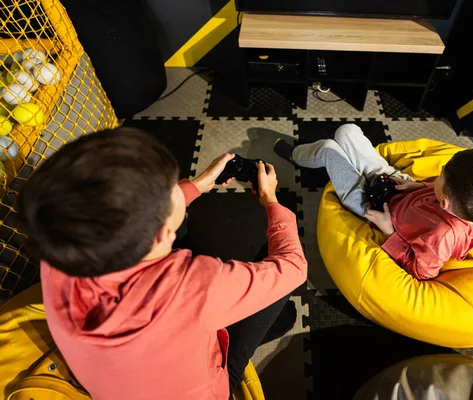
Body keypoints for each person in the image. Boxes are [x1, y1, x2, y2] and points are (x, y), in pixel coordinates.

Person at [18, 128, 307, 400]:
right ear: (163, 235)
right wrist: (271, 200)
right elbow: (294, 266)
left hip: (122, 383)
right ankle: (247, 338)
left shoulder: (60, 252)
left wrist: (197, 186)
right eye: (170, 190)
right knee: (276, 266)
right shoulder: (194, 285)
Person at [274, 123, 473, 280]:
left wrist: (388, 229)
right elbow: (440, 192)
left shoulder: (440, 238)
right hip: (397, 186)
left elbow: (422, 271)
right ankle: (319, 156)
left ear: (444, 203)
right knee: (346, 132)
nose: (438, 173)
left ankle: (298, 156)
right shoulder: (466, 203)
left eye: (441, 175)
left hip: (372, 206)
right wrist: (420, 186)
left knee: (329, 149)